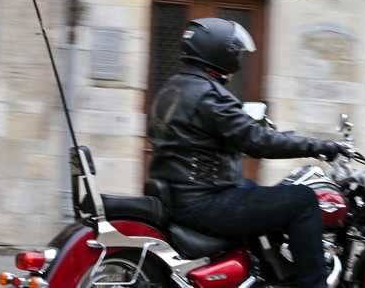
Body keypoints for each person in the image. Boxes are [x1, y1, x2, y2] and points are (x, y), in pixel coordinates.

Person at [147, 17, 347, 288]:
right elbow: (256, 142)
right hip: (203, 203)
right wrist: (321, 146)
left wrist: (282, 138)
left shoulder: (174, 86)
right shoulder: (210, 95)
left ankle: (266, 271)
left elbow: (227, 135)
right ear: (222, 51)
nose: (239, 56)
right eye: (236, 50)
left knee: (256, 189)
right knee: (303, 199)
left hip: (184, 195)